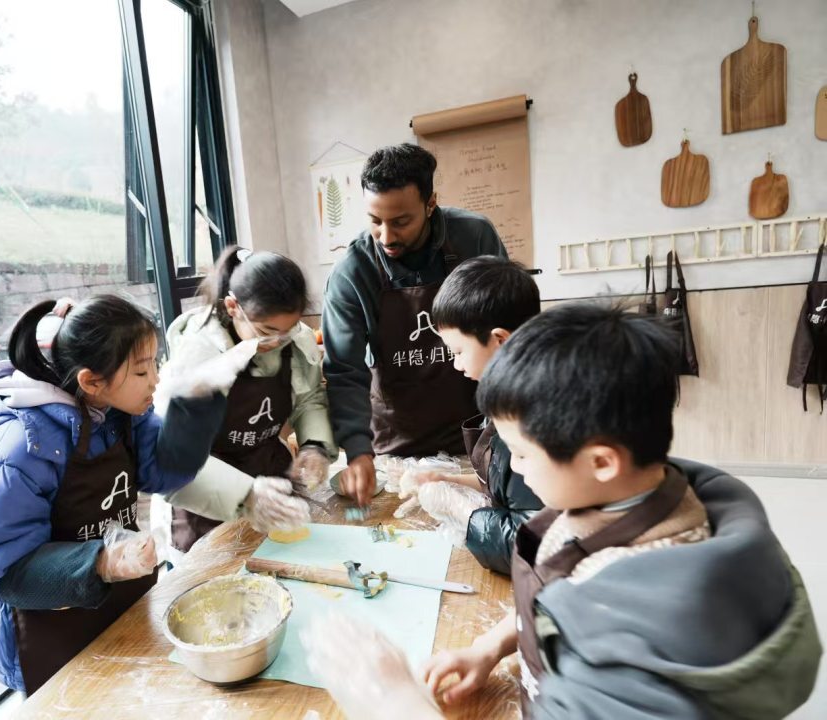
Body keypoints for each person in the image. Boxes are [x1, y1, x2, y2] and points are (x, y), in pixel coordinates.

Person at [304, 304, 822, 719]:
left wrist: (395, 702)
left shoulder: (649, 629)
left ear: (601, 461)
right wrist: (490, 646)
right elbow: (556, 588)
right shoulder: (617, 496)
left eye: (521, 454)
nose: (516, 468)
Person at [0, 294, 292, 695]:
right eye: (142, 371)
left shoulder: (116, 413)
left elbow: (164, 470)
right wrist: (101, 562)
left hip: (113, 609)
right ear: (91, 380)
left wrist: (194, 410)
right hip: (46, 636)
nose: (155, 380)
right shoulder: (12, 454)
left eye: (155, 364)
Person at [321, 143, 506, 506]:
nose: (386, 237)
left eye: (401, 221)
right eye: (375, 221)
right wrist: (357, 449)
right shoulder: (352, 272)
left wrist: (508, 433)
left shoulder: (474, 239)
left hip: (475, 434)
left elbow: (507, 338)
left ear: (430, 203)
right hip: (396, 446)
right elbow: (344, 371)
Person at [158, 246, 335, 552]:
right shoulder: (199, 356)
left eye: (288, 330)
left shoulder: (294, 338)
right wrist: (246, 495)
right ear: (233, 307)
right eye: (267, 331)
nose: (278, 341)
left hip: (271, 477)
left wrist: (315, 446)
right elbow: (173, 459)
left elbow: (308, 398)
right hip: (208, 493)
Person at [399, 256, 542, 574]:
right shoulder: (507, 389)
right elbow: (506, 486)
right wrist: (446, 480)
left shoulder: (534, 415)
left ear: (500, 340)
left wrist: (461, 509)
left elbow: (532, 549)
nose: (455, 364)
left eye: (459, 351)